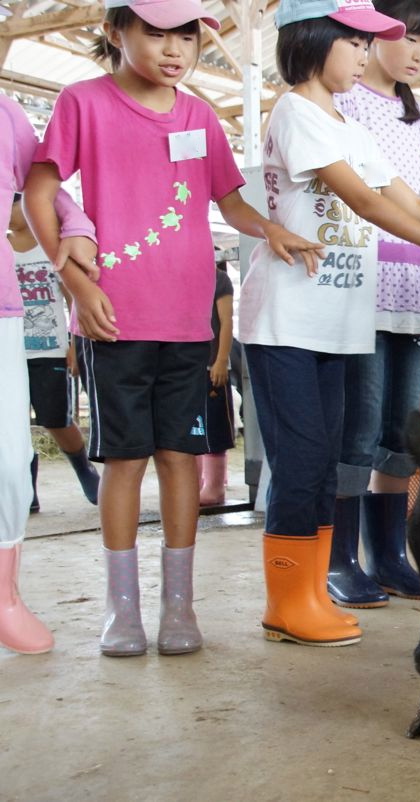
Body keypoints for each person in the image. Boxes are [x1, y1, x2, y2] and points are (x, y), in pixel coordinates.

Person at [24, 0, 325, 658]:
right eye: (154, 32)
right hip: (114, 318)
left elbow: (230, 200)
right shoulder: (83, 103)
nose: (173, 50)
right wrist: (75, 280)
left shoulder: (199, 115)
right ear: (114, 31)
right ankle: (121, 610)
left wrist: (269, 229)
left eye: (185, 36)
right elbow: (39, 190)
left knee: (182, 458)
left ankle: (180, 607)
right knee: (125, 461)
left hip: (189, 319)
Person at [242, 0, 420, 647]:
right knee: (305, 462)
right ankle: (287, 599)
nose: (367, 54)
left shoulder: (347, 125)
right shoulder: (296, 110)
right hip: (286, 320)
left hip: (338, 323)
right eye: (356, 42)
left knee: (331, 455)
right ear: (313, 39)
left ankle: (307, 591)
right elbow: (361, 200)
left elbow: (405, 198)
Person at [328, 0, 420, 607]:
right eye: (415, 41)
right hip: (362, 280)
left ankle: (388, 556)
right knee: (359, 425)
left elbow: (416, 201)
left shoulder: (414, 112)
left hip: (412, 282)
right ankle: (339, 559)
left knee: (402, 430)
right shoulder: (344, 100)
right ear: (376, 37)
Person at [0, 75, 98, 654]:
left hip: (4, 312)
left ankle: (5, 596)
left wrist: (79, 228)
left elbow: (46, 185)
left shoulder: (7, 114)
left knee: (11, 461)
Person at [11, 197, 100, 510]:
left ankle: (83, 468)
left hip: (51, 350)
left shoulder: (50, 246)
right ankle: (26, 490)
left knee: (55, 419)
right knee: (13, 423)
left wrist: (74, 343)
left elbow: (72, 296)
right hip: (10, 353)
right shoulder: (3, 249)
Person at [197, 259, 236, 507]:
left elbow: (226, 321)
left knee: (215, 427)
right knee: (193, 428)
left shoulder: (218, 278)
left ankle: (214, 486)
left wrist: (221, 359)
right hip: (187, 364)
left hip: (212, 364)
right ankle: (200, 483)